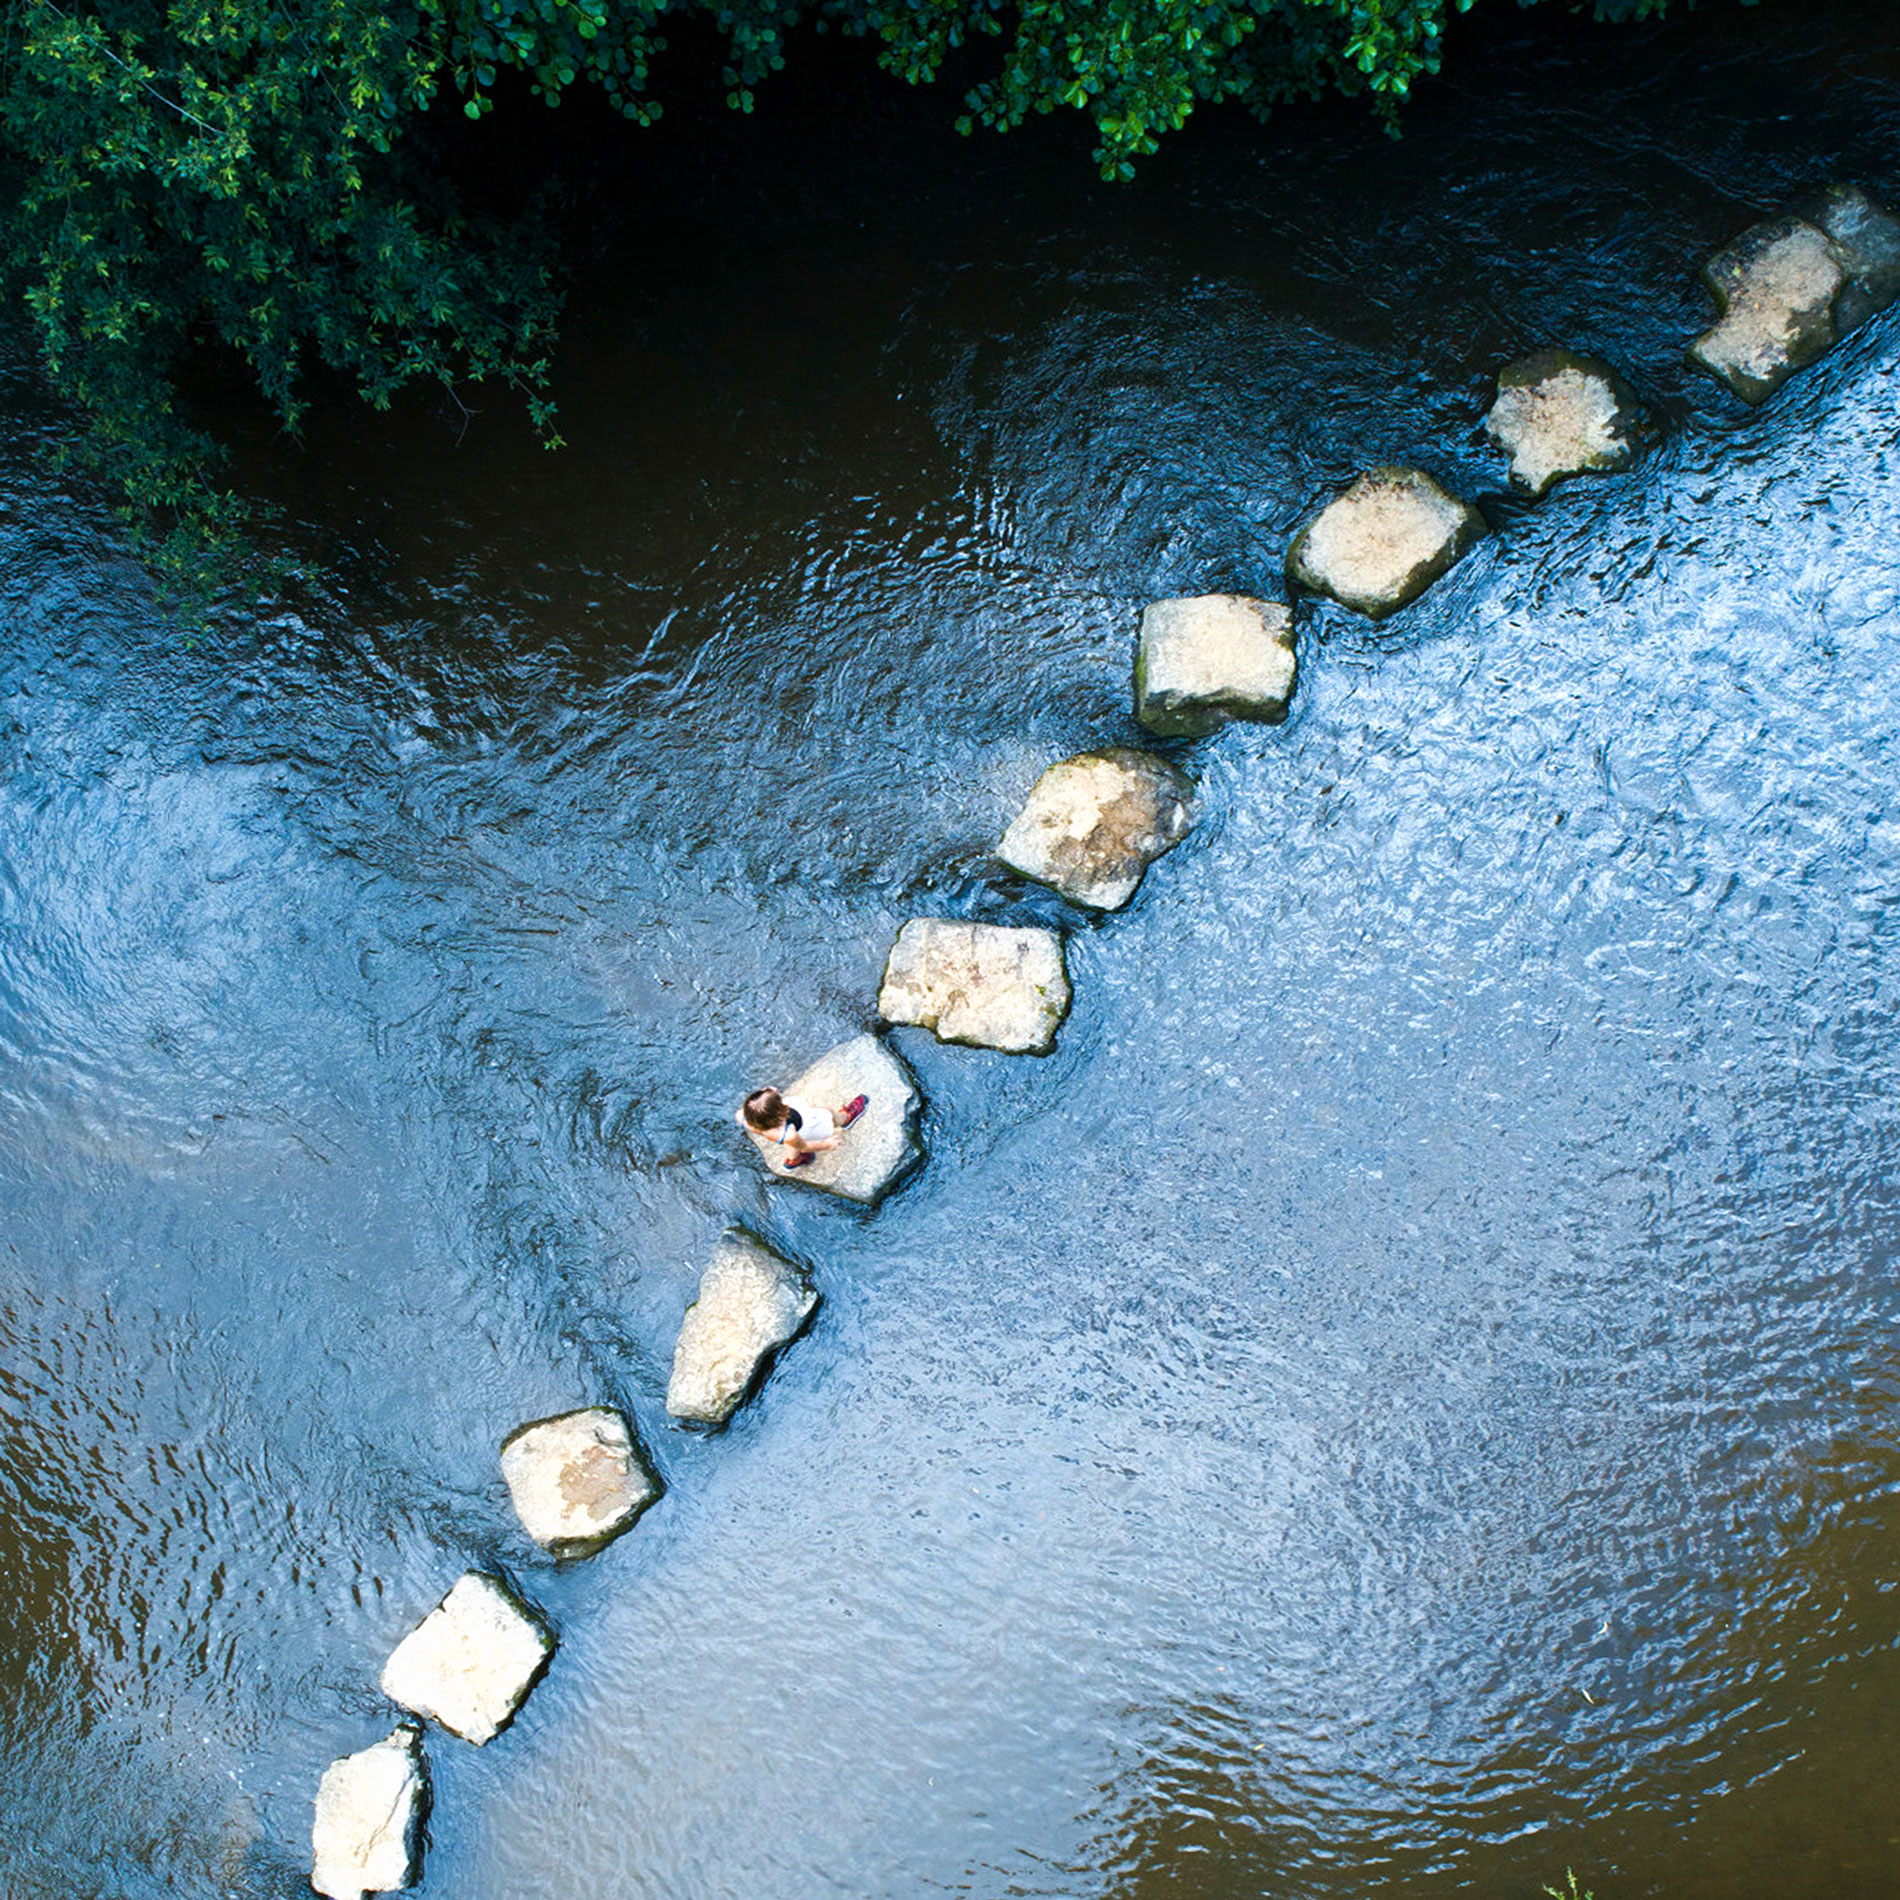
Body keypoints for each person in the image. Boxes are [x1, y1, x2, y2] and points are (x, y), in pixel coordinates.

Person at [738, 1086, 868, 1171]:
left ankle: (794, 1160)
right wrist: (827, 1144)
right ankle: (845, 1118)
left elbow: (758, 1107)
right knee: (827, 1113)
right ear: (780, 1114)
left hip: (788, 1134)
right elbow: (805, 1146)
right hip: (806, 1126)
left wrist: (767, 1096)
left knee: (791, 1144)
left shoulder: (744, 1118)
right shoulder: (790, 1134)